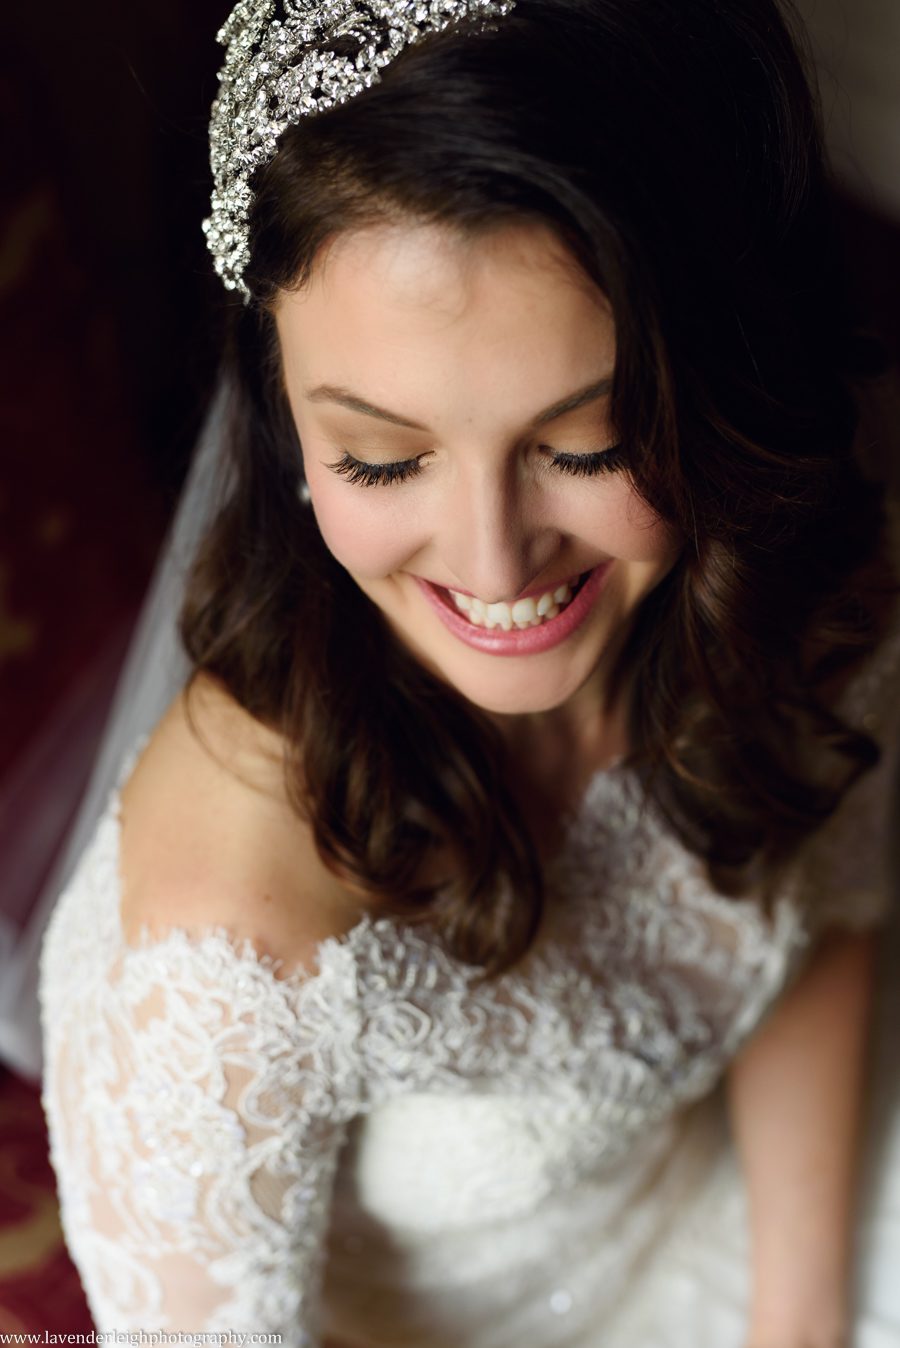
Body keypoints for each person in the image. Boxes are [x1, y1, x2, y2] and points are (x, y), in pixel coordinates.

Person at [36, 0, 900, 1344]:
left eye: (590, 444)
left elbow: (825, 931)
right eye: (383, 459)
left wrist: (803, 1326)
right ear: (278, 410)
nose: (496, 564)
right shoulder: (221, 944)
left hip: (748, 1213)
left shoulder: (803, 585)